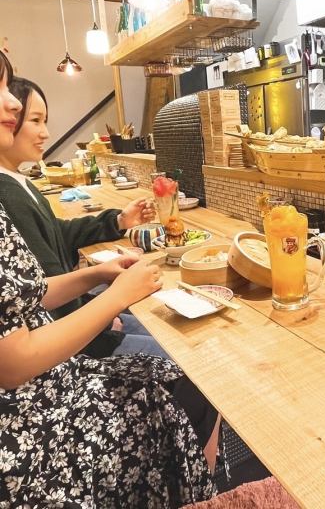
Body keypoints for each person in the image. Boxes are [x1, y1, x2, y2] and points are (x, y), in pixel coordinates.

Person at [0, 50, 218, 506]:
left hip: (49, 380)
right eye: (1, 91)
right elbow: (12, 362)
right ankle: (194, 482)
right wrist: (112, 300)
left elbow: (23, 293)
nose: (14, 107)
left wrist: (96, 273)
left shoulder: (12, 186)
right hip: (30, 425)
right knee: (196, 366)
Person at [1, 76, 166, 358]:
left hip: (72, 322)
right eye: (36, 120)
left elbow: (58, 236)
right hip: (70, 345)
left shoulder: (19, 181)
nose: (46, 133)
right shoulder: (7, 193)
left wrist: (118, 221)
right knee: (177, 351)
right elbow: (42, 290)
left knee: (161, 326)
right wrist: (103, 312)